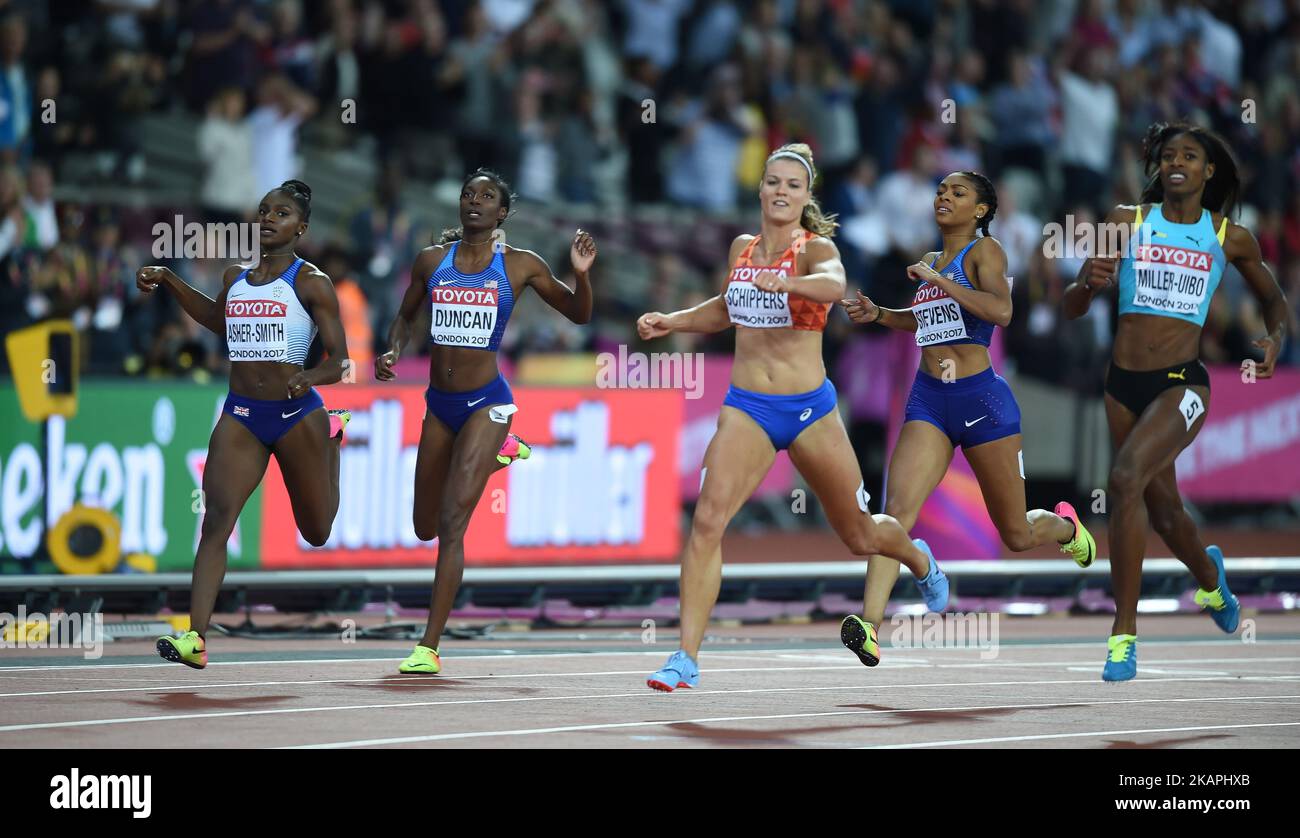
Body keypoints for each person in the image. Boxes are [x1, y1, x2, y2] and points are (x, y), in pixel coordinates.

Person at [637, 144, 947, 692]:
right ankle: (684, 658)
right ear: (759, 190)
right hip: (748, 408)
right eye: (773, 182)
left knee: (858, 535)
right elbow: (725, 306)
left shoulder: (814, 249)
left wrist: (790, 283)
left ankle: (916, 557)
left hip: (810, 411)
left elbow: (833, 285)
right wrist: (674, 320)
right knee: (708, 522)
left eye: (793, 185)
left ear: (806, 198)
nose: (781, 191)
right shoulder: (742, 247)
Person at [1063, 123, 1289, 681]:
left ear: (1209, 171)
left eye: (1190, 155)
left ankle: (1123, 634)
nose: (1177, 162)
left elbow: (1274, 299)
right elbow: (1070, 306)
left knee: (1122, 481)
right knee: (1163, 511)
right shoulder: (1127, 221)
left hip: (1182, 383)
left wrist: (1275, 338)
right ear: (1158, 168)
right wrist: (1087, 285)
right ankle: (1211, 583)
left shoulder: (1228, 236)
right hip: (1122, 384)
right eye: (1168, 155)